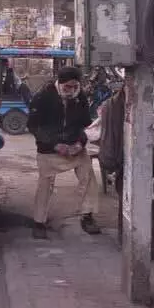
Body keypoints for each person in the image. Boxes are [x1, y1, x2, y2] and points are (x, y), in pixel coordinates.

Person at [27, 66, 100, 239]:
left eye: (75, 87)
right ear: (59, 84)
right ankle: (39, 221)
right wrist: (54, 145)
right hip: (49, 149)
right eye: (68, 87)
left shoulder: (80, 96)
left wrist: (80, 143)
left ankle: (87, 215)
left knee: (88, 177)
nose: (71, 91)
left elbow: (85, 124)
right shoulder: (42, 96)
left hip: (74, 147)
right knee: (45, 184)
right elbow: (33, 126)